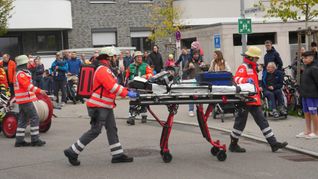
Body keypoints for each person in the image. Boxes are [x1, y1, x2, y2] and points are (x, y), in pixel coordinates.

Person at [64, 47, 137, 166]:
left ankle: (117, 154)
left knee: (112, 128)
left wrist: (126, 90)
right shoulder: (103, 70)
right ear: (108, 57)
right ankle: (72, 151)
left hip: (105, 106)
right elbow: (112, 87)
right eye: (115, 57)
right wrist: (127, 93)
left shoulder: (106, 69)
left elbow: (113, 85)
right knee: (95, 130)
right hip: (99, 106)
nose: (116, 59)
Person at [230, 46, 288, 153]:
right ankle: (233, 144)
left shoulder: (252, 67)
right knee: (240, 123)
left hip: (253, 99)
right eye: (256, 58)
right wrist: (247, 79)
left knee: (262, 121)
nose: (257, 60)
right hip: (245, 99)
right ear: (251, 57)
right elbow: (236, 79)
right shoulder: (244, 67)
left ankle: (273, 143)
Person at [14, 55, 47, 147]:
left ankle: (19, 141)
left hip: (23, 99)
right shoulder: (21, 74)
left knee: (23, 119)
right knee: (35, 117)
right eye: (27, 62)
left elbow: (32, 67)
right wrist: (40, 91)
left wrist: (34, 63)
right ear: (23, 64)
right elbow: (28, 86)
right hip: (25, 99)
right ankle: (35, 140)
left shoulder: (21, 72)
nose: (29, 64)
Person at [125, 51, 153, 125]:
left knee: (143, 101)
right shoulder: (130, 66)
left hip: (143, 86)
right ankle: (131, 117)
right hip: (133, 86)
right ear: (135, 58)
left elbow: (150, 74)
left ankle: (144, 116)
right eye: (138, 57)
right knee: (133, 101)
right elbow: (127, 76)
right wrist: (126, 86)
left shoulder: (146, 65)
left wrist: (146, 76)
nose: (140, 58)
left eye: (141, 57)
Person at [296, 51, 318, 139]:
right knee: (306, 112)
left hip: (312, 95)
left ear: (311, 58)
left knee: (313, 112)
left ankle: (316, 132)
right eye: (303, 58)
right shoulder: (306, 67)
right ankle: (308, 130)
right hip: (305, 94)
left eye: (306, 58)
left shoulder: (314, 68)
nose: (303, 59)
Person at [183, 49, 204, 117]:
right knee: (192, 95)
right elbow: (184, 70)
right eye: (195, 54)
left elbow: (206, 69)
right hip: (192, 80)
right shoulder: (189, 61)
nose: (196, 56)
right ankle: (191, 110)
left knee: (200, 95)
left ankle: (201, 109)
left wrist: (204, 66)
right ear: (192, 55)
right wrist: (189, 68)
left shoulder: (201, 61)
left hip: (200, 80)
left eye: (197, 54)